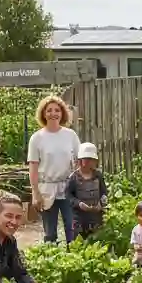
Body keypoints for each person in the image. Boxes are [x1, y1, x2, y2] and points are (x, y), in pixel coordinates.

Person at [27, 93, 82, 245]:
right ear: (43, 114)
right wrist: (35, 192)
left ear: (62, 113)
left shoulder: (70, 135)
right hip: (46, 188)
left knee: (73, 230)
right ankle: (50, 262)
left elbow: (79, 162)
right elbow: (33, 167)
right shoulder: (37, 138)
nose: (53, 113)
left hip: (68, 187)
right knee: (50, 233)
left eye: (57, 110)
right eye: (49, 110)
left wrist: (80, 186)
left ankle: (74, 261)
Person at [66, 142, 108, 240]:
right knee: (79, 243)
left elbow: (104, 193)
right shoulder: (73, 177)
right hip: (79, 218)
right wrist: (79, 204)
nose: (90, 162)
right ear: (80, 160)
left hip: (96, 217)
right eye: (87, 159)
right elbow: (68, 195)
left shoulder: (98, 176)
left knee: (96, 242)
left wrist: (101, 204)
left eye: (92, 160)